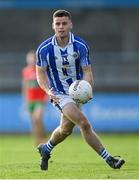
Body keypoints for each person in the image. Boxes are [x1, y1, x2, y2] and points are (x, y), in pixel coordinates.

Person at [36, 9, 125, 171]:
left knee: (65, 130)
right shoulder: (44, 49)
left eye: (64, 23)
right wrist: (48, 91)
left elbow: (87, 72)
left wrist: (87, 88)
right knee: (84, 123)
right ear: (53, 26)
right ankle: (110, 159)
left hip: (76, 93)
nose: (61, 27)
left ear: (70, 24)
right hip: (59, 94)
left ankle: (46, 148)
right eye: (58, 24)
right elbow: (40, 74)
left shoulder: (80, 46)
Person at [22, 50, 48, 146]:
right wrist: (25, 100)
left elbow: (47, 83)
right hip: (30, 99)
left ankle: (43, 138)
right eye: (29, 58)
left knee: (37, 118)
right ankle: (38, 139)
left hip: (40, 99)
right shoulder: (25, 71)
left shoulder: (40, 70)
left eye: (32, 58)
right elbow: (25, 86)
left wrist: (47, 95)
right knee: (34, 121)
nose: (31, 60)